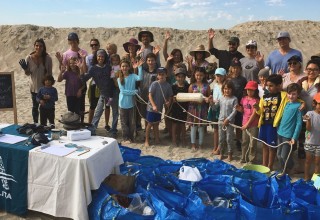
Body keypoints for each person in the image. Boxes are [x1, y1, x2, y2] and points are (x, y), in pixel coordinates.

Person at [255, 74, 298, 170]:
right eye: (267, 85)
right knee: (264, 145)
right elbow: (260, 111)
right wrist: (257, 108)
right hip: (263, 124)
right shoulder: (264, 96)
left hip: (273, 125)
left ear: (278, 85)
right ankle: (264, 165)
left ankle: (269, 167)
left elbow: (295, 100)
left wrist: (302, 104)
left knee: (272, 146)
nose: (268, 88)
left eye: (271, 86)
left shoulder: (283, 95)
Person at [55, 32, 88, 123]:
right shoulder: (66, 54)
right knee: (71, 108)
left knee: (81, 107)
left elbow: (85, 71)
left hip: (81, 80)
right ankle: (73, 123)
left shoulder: (83, 52)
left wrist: (84, 59)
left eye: (74, 40)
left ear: (77, 41)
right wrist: (60, 61)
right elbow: (63, 69)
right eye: (70, 40)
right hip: (70, 86)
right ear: (69, 41)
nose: (73, 42)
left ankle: (81, 123)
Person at [19, 38, 53, 124]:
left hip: (45, 88)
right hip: (34, 88)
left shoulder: (48, 58)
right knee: (35, 107)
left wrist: (49, 88)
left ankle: (44, 125)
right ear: (34, 47)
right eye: (37, 46)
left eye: (40, 46)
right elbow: (27, 73)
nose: (38, 48)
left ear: (43, 47)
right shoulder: (29, 58)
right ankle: (35, 124)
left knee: (44, 108)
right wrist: (25, 69)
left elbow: (50, 74)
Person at [81, 49, 114, 132]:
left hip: (111, 93)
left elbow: (113, 78)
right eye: (99, 56)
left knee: (110, 109)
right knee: (99, 110)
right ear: (96, 57)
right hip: (103, 93)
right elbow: (84, 78)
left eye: (102, 56)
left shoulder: (108, 67)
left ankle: (112, 129)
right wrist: (81, 68)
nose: (101, 58)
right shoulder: (93, 68)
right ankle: (92, 128)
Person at [277, 83, 303, 174]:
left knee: (284, 156)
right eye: (289, 93)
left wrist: (294, 137)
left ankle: (290, 167)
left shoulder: (299, 106)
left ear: (298, 94)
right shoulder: (287, 103)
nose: (291, 96)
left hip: (288, 135)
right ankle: (282, 169)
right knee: (279, 155)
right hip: (280, 132)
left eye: (294, 94)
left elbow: (299, 123)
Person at [117, 58, 144, 144]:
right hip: (122, 104)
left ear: (129, 67)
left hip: (131, 104)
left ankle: (132, 137)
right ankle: (126, 138)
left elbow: (140, 77)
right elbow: (123, 91)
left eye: (126, 66)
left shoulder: (133, 76)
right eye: (123, 66)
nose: (124, 68)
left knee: (132, 122)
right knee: (124, 122)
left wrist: (139, 67)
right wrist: (134, 92)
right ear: (120, 67)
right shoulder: (119, 79)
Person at [144, 67, 173, 147]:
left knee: (156, 124)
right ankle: (147, 140)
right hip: (151, 108)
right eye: (159, 74)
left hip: (159, 108)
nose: (161, 76)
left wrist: (168, 102)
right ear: (157, 76)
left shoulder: (168, 85)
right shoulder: (154, 84)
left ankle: (157, 139)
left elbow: (170, 96)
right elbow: (149, 95)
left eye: (163, 74)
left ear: (166, 75)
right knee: (149, 124)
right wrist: (153, 105)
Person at [187, 67, 211, 151]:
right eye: (197, 75)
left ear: (204, 75)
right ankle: (193, 144)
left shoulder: (207, 86)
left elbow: (209, 97)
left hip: (203, 109)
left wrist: (208, 99)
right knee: (193, 127)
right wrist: (194, 96)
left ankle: (200, 144)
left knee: (201, 128)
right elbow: (188, 98)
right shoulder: (191, 86)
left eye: (201, 75)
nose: (199, 77)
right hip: (193, 109)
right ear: (194, 75)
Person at [236, 81, 260, 163]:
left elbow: (254, 114)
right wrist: (240, 110)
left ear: (255, 91)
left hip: (253, 124)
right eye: (248, 90)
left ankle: (252, 159)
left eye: (252, 90)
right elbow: (244, 110)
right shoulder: (243, 99)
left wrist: (247, 124)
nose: (249, 91)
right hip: (244, 122)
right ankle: (243, 157)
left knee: (253, 143)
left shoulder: (256, 100)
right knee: (244, 142)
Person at [227, 58, 247, 150]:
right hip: (229, 105)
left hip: (239, 105)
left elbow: (245, 93)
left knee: (239, 125)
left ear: (240, 69)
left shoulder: (243, 80)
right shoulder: (228, 79)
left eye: (238, 68)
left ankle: (239, 141)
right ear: (231, 68)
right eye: (234, 68)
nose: (236, 70)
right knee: (229, 123)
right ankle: (229, 141)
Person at [215, 80, 238, 161]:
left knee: (229, 138)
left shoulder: (234, 99)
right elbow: (215, 107)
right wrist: (211, 102)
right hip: (221, 121)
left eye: (228, 89)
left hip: (230, 122)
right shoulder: (221, 98)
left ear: (232, 89)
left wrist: (228, 119)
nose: (226, 90)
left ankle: (230, 154)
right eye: (225, 89)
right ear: (223, 90)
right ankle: (221, 153)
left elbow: (235, 111)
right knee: (221, 138)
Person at [138, 52, 158, 129]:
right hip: (143, 96)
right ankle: (147, 131)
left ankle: (154, 131)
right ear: (146, 61)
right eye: (149, 60)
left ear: (155, 61)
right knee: (145, 115)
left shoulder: (157, 72)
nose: (150, 62)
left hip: (153, 98)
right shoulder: (143, 71)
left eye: (152, 60)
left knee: (153, 115)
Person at [83, 38, 101, 124]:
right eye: (92, 45)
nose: (94, 46)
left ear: (99, 45)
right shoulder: (88, 58)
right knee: (92, 105)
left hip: (104, 84)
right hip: (94, 83)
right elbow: (87, 71)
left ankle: (107, 125)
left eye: (95, 44)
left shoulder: (103, 55)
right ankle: (90, 123)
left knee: (105, 106)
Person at [210, 67, 227, 155]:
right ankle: (215, 146)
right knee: (215, 129)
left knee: (222, 130)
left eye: (220, 76)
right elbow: (214, 96)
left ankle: (220, 148)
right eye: (217, 76)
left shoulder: (226, 86)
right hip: (214, 108)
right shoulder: (215, 85)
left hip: (222, 109)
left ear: (224, 76)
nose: (218, 77)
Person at [171, 68, 189, 146]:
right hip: (175, 107)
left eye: (182, 76)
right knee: (175, 124)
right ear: (176, 77)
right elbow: (171, 96)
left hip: (184, 107)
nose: (180, 78)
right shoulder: (173, 87)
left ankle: (183, 139)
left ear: (185, 77)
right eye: (178, 77)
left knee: (182, 124)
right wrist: (173, 99)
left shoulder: (187, 86)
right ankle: (174, 140)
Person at [303, 93, 320, 180]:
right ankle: (306, 178)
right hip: (309, 142)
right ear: (314, 103)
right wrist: (308, 121)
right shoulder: (309, 114)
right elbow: (308, 129)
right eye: (319, 104)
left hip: (319, 144)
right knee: (308, 161)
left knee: (317, 163)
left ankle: (316, 182)